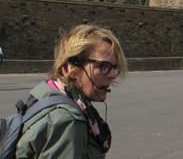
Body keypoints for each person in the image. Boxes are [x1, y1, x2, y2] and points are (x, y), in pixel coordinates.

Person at [15, 24, 127, 158]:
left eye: (114, 67)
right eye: (104, 66)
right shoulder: (68, 121)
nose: (113, 74)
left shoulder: (47, 94)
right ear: (71, 68)